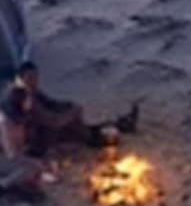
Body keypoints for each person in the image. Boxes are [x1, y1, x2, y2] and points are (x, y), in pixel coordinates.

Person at [8, 62, 139, 155]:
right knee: (75, 127)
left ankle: (118, 126)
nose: (34, 81)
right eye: (31, 78)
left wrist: (69, 106)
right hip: (35, 141)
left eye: (35, 77)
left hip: (42, 129)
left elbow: (51, 103)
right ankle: (99, 138)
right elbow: (51, 121)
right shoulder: (23, 98)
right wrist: (72, 113)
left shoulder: (30, 90)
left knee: (76, 120)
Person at [0, 86, 48, 195]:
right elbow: (12, 154)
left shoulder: (17, 118)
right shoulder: (5, 122)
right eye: (26, 101)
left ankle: (18, 180)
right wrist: (36, 163)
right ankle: (0, 186)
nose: (29, 104)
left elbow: (19, 145)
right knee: (31, 168)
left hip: (2, 154)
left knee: (33, 163)